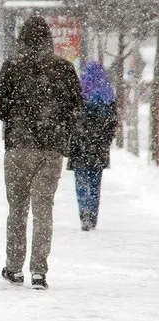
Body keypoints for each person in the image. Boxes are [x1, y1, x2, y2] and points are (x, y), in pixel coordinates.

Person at [0, 16, 84, 290]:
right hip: (51, 149)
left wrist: (18, 115)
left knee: (17, 209)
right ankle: (39, 271)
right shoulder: (63, 68)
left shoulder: (12, 66)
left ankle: (14, 267)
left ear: (22, 39)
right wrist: (59, 126)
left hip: (19, 147)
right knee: (44, 210)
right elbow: (77, 109)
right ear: (49, 39)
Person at [67, 62, 117, 231]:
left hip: (80, 146)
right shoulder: (108, 95)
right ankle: (92, 215)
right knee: (95, 183)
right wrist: (105, 141)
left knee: (81, 182)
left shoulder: (80, 92)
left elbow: (71, 119)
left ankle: (84, 214)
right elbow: (112, 123)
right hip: (98, 147)